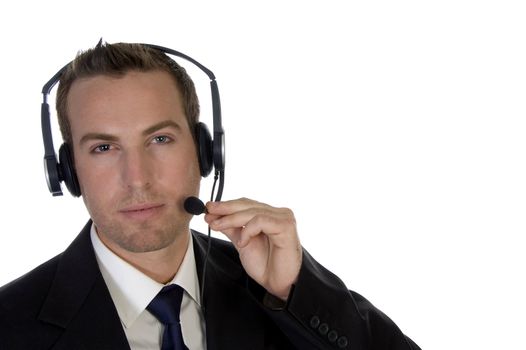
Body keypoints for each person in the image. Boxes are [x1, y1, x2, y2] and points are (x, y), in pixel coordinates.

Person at [0, 41, 421, 350]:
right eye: (104, 148)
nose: (137, 178)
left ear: (205, 151)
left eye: (160, 138)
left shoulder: (277, 292)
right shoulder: (9, 324)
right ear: (67, 170)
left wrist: (297, 292)